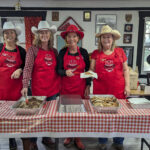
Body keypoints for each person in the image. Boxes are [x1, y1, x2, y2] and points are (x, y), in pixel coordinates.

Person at [90, 25, 130, 150]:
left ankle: (118, 142)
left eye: (108, 37)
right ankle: (102, 141)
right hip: (101, 92)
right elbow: (91, 70)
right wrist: (87, 75)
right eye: (103, 37)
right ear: (100, 39)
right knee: (102, 118)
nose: (106, 39)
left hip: (118, 91)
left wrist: (128, 86)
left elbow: (126, 70)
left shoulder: (120, 52)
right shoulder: (96, 53)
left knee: (120, 118)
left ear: (113, 39)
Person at [21, 20, 60, 150]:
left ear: (50, 34)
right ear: (38, 35)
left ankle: (46, 137)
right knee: (35, 117)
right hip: (37, 90)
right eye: (41, 32)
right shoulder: (33, 50)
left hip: (52, 89)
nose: (44, 34)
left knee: (49, 116)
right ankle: (33, 140)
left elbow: (58, 70)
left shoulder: (54, 51)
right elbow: (27, 68)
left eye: (46, 32)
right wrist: (25, 85)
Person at [57, 24, 91, 150]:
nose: (71, 39)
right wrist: (65, 72)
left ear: (78, 38)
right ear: (66, 39)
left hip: (80, 88)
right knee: (67, 114)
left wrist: (88, 84)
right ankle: (68, 136)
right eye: (69, 36)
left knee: (79, 114)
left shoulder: (83, 52)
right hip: (66, 88)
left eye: (74, 36)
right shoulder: (62, 52)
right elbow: (58, 70)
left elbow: (88, 70)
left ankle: (77, 137)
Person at [0, 21, 26, 150]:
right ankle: (11, 139)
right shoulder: (0, 48)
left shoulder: (21, 50)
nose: (9, 35)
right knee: (6, 115)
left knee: (17, 114)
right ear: (3, 35)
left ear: (15, 35)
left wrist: (19, 69)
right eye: (6, 33)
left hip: (16, 88)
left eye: (11, 32)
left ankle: (22, 135)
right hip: (2, 88)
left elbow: (26, 66)